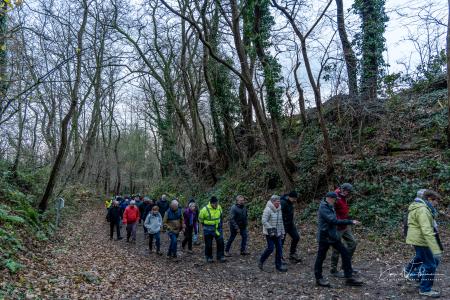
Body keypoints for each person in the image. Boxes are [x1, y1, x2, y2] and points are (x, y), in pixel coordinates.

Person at [314, 192, 363, 287]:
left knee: (345, 253)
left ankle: (349, 278)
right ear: (329, 198)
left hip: (332, 236)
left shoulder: (329, 205)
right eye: (335, 199)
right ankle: (319, 279)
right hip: (324, 237)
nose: (336, 201)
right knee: (321, 257)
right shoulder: (324, 207)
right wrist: (350, 221)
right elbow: (333, 220)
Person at [405, 189, 443, 298]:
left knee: (429, 261)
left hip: (418, 239)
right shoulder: (423, 210)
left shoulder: (421, 207)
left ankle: (417, 277)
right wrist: (435, 249)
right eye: (436, 201)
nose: (437, 203)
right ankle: (425, 289)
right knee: (430, 264)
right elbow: (427, 230)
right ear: (430, 199)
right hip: (421, 240)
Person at [330, 183, 357, 277]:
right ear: (342, 189)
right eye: (346, 191)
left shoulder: (343, 196)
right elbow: (330, 210)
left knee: (353, 243)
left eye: (349, 192)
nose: (347, 193)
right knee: (336, 248)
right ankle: (333, 270)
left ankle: (346, 265)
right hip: (337, 226)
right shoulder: (335, 196)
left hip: (345, 225)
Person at [258, 195, 287, 272]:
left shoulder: (279, 209)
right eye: (277, 201)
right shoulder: (267, 209)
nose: (278, 203)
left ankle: (278, 266)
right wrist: (271, 229)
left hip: (278, 232)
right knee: (270, 248)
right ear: (273, 202)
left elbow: (281, 222)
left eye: (279, 201)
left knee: (279, 249)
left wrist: (283, 232)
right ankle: (261, 261)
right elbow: (264, 221)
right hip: (269, 233)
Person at [199, 196, 226, 263]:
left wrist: (220, 224)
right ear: (211, 203)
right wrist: (205, 225)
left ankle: (220, 256)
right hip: (208, 228)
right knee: (208, 244)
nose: (216, 205)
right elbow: (200, 219)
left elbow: (221, 216)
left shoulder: (219, 207)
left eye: (217, 204)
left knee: (221, 242)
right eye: (215, 204)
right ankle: (208, 257)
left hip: (218, 228)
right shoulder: (204, 210)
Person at [281, 191, 301, 263]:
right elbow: (280, 214)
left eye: (295, 198)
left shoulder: (290, 202)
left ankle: (292, 254)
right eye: (294, 199)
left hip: (290, 224)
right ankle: (279, 257)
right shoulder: (283, 202)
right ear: (289, 197)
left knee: (296, 237)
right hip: (283, 225)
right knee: (281, 242)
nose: (295, 200)